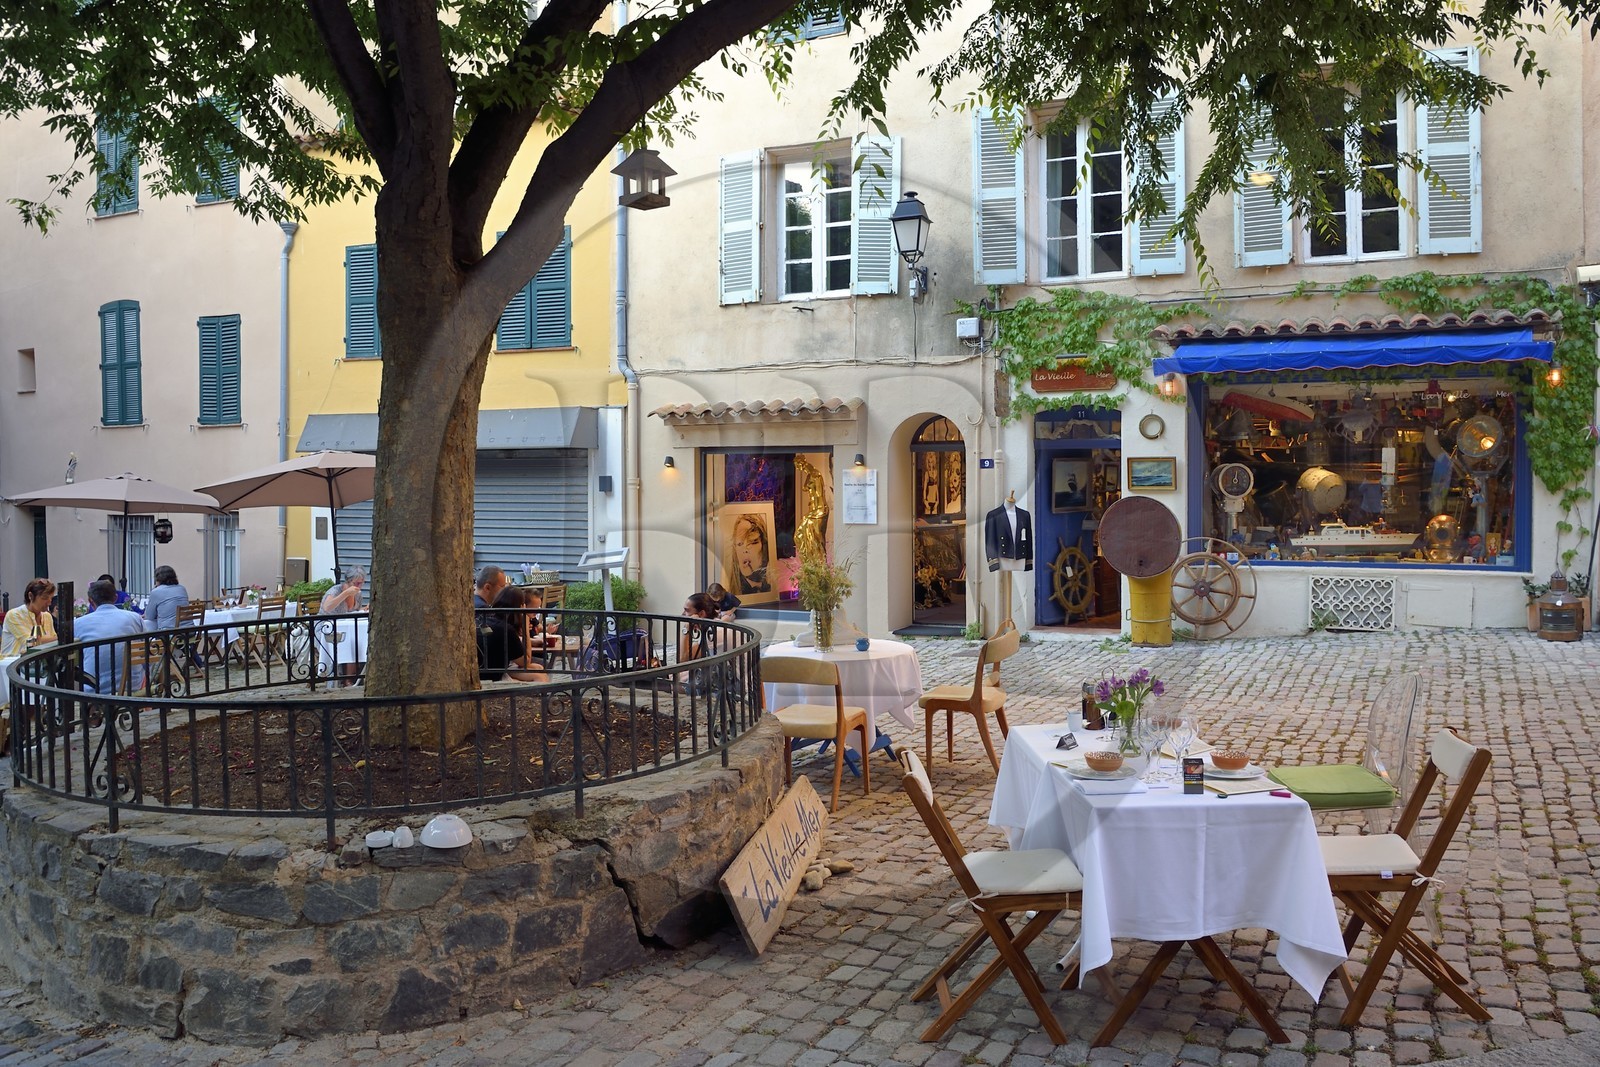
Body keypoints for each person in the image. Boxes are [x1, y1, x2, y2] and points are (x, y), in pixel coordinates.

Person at [75, 578, 147, 693]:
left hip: (95, 689)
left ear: (90, 601)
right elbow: (147, 650)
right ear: (115, 598)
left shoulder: (78, 623)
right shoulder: (134, 618)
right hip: (132, 686)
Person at [476, 586, 548, 682]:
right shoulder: (506, 629)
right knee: (539, 676)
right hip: (492, 676)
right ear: (521, 607)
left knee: (537, 667)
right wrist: (525, 625)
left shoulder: (487, 620)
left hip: (483, 670)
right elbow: (525, 661)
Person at [2, 578, 58, 657]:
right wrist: (60, 637)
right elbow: (30, 643)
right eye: (45, 598)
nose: (49, 603)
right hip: (13, 662)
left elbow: (53, 641)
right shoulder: (14, 615)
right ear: (30, 596)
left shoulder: (47, 616)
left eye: (51, 598)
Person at [728, 514, 771, 595]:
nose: (745, 550)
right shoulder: (731, 591)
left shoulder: (771, 586)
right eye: (740, 544)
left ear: (764, 546)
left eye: (752, 542)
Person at [144, 566, 190, 632]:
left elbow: (149, 616)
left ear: (158, 579)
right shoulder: (182, 588)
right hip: (189, 631)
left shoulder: (156, 591)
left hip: (169, 633)